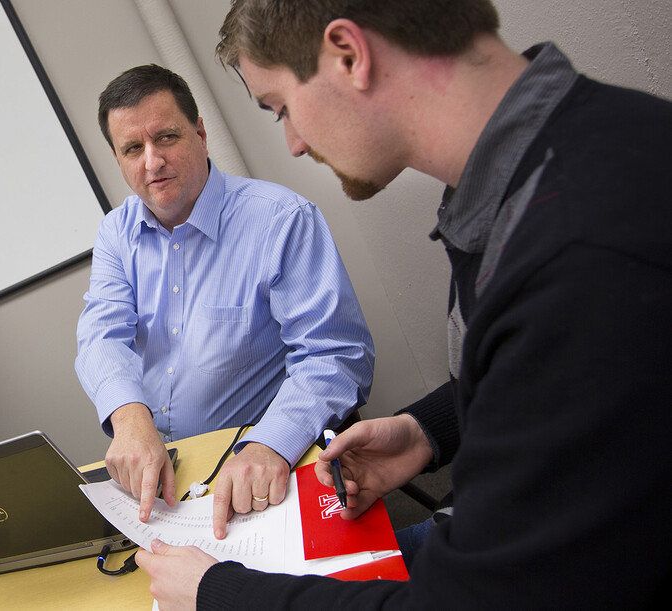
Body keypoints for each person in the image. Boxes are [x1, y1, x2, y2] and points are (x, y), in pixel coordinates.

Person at [135, 0, 672, 608]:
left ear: (349, 54)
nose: (293, 143)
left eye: (282, 108)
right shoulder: (564, 158)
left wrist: (219, 596)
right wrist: (430, 429)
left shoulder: (577, 248)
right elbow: (551, 373)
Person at [76, 64, 374, 535]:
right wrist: (129, 418)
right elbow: (100, 336)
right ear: (117, 157)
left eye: (167, 138)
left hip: (258, 470)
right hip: (169, 478)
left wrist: (270, 444)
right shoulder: (117, 232)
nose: (151, 162)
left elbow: (337, 355)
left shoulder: (280, 219)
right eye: (133, 148)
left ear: (199, 132)